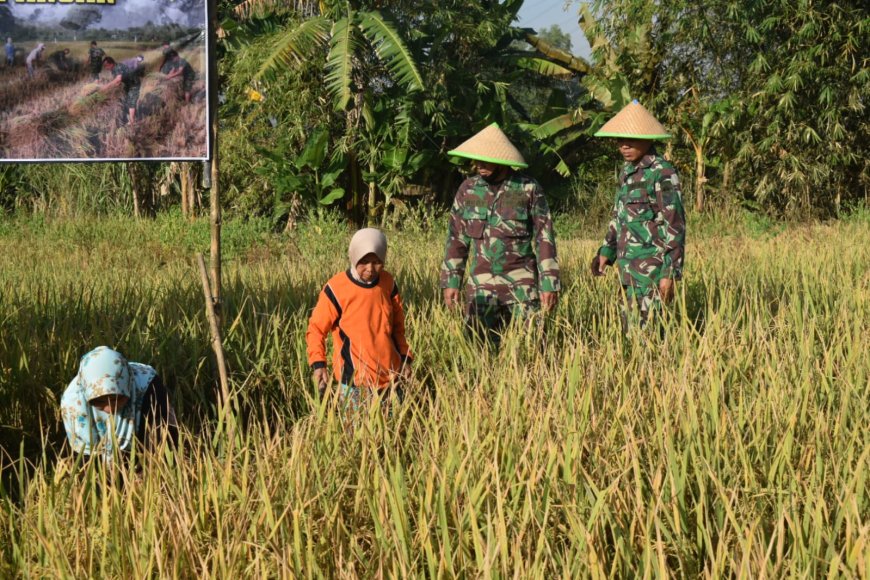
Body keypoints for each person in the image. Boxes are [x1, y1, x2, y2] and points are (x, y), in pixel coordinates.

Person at [440, 123, 560, 346]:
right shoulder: (467, 190)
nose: (479, 165)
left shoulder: (528, 188)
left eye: (486, 159)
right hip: (481, 289)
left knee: (531, 351)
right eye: (476, 160)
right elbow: (457, 239)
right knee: (477, 351)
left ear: (502, 159)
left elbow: (545, 238)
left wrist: (549, 284)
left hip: (522, 288)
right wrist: (451, 281)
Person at [590, 100, 686, 334]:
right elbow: (618, 215)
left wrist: (669, 274)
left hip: (652, 273)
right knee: (630, 333)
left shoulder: (663, 173)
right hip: (627, 270)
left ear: (648, 139)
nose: (624, 146)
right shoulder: (627, 172)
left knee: (651, 336)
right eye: (620, 140)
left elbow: (675, 226)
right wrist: (606, 252)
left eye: (631, 140)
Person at [306, 228, 412, 413]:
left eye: (377, 262)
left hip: (391, 378)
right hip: (355, 383)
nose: (370, 269)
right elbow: (316, 329)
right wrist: (318, 364)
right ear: (354, 257)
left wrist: (405, 358)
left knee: (394, 434)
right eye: (363, 262)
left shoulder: (388, 283)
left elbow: (397, 328)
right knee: (356, 437)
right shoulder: (336, 289)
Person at [60, 346, 177, 461]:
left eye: (118, 399)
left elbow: (163, 437)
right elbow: (85, 458)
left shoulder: (147, 386)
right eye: (99, 402)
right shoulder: (73, 404)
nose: (110, 409)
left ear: (128, 387)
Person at [100, 55, 145, 124]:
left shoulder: (118, 67)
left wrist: (106, 87)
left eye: (106, 66)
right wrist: (110, 90)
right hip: (127, 84)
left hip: (133, 84)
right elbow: (117, 82)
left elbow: (118, 79)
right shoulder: (113, 70)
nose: (106, 68)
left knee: (131, 102)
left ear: (111, 64)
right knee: (126, 100)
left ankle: (132, 121)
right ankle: (130, 115)